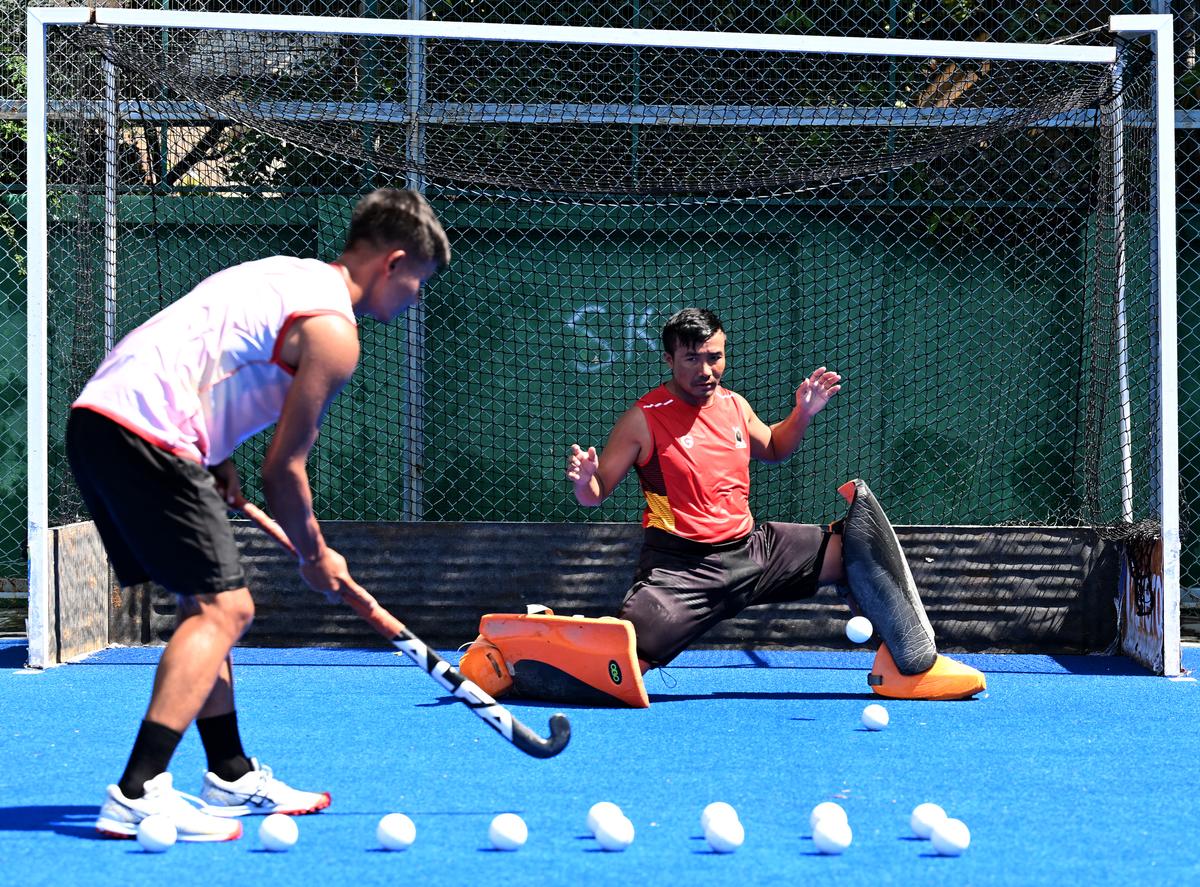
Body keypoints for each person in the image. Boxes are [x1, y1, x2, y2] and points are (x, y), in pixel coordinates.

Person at [67, 188, 450, 841]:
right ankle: (138, 790)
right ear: (392, 262)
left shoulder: (284, 273)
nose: (415, 298)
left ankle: (231, 772)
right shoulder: (334, 332)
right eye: (418, 281)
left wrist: (212, 455)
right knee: (227, 609)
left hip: (101, 422)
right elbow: (285, 470)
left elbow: (209, 353)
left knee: (203, 604)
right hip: (149, 430)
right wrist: (314, 554)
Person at [563, 307, 986, 700]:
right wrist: (586, 481)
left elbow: (774, 447)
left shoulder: (734, 405)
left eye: (715, 357)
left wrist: (803, 412)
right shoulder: (643, 419)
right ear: (669, 360)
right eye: (692, 359)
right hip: (684, 571)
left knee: (856, 545)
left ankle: (912, 668)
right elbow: (594, 496)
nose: (707, 370)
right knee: (618, 665)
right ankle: (529, 655)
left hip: (754, 552)